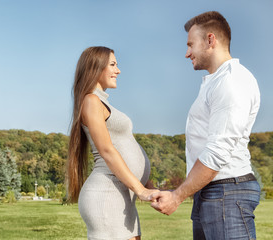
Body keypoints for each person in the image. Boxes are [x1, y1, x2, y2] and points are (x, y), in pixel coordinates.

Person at [151, 11, 261, 240]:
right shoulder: (216, 82)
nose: (187, 53)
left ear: (210, 40)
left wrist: (177, 196)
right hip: (213, 192)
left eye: (191, 44)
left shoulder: (231, 81)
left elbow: (218, 151)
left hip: (226, 193)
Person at [67, 46, 158, 240]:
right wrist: (141, 190)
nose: (118, 70)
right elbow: (107, 150)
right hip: (106, 195)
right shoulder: (91, 100)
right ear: (96, 67)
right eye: (113, 64)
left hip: (123, 197)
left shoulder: (101, 102)